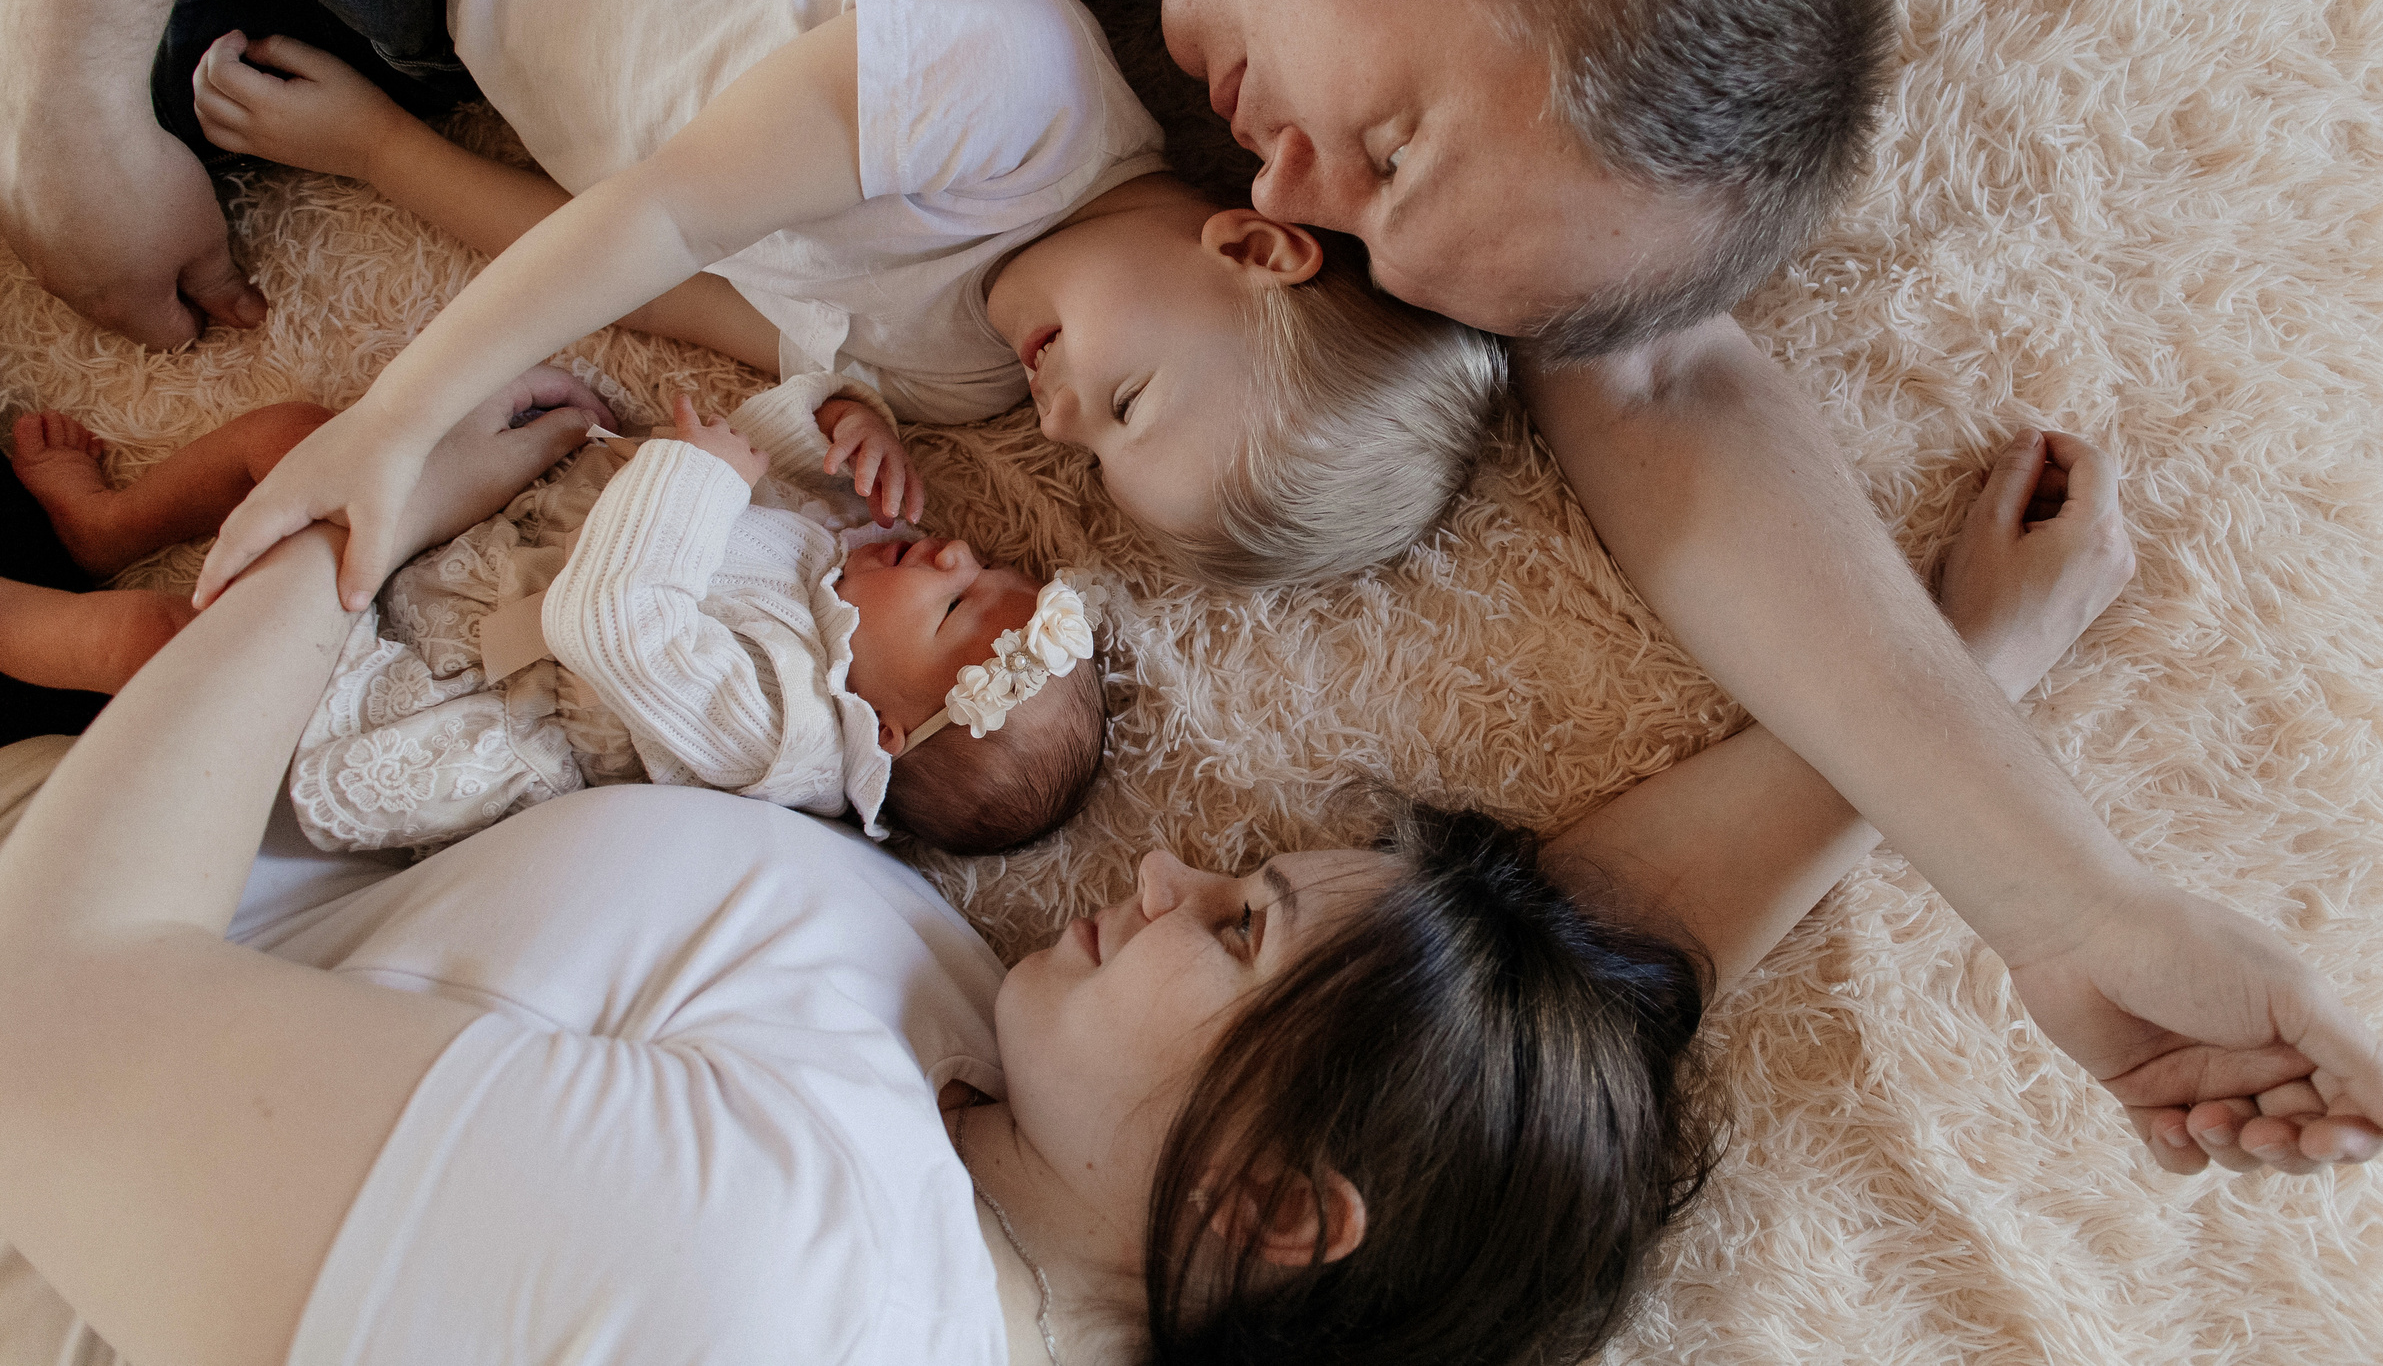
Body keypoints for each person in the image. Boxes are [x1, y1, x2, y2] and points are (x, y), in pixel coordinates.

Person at [0, 0, 2383, 1169]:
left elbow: (1662, 375)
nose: (1265, 184)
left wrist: (2063, 896)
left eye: (1344, 212)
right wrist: (64, 85)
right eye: (1367, 155)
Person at [0, 403, 2188, 1366]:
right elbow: (1534, 1004)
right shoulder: (1026, 1136)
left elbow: (52, 1019)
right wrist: (1942, 712)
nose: (1167, 882)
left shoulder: (764, 1263)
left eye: (1228, 923)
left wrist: (348, 508)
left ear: (1269, 1212)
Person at [182, 0, 1505, 592]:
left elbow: (674, 294)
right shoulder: (1016, 95)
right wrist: (397, 423)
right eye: (1127, 398)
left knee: (169, 107)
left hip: (431, 13)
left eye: (1086, 458)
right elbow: (658, 217)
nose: (1056, 416)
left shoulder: (956, 382)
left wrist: (377, 155)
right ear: (1251, 245)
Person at [3, 380, 1106, 856]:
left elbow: (613, 623)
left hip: (419, 691)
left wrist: (696, 477)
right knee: (303, 439)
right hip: (467, 569)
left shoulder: (783, 736)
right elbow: (759, 465)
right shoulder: (847, 584)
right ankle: (106, 523)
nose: (955, 552)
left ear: (888, 729)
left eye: (957, 602)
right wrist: (834, 416)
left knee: (162, 651)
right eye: (986, 564)